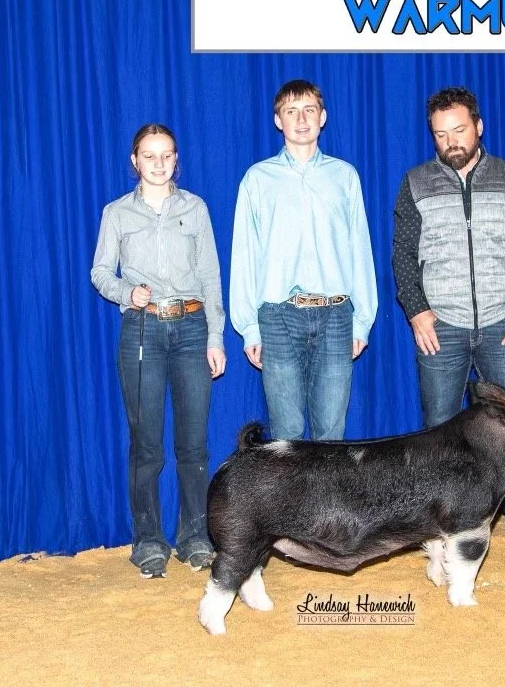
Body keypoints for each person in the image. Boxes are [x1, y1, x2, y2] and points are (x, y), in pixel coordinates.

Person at [392, 86, 505, 542]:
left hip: (504, 323)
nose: (452, 141)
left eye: (459, 130)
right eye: (441, 134)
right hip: (439, 325)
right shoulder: (415, 183)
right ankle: (433, 522)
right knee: (438, 431)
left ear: (478, 127)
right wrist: (417, 312)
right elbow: (403, 254)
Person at [91, 124, 226, 579]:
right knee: (146, 445)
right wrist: (128, 293)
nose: (158, 163)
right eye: (149, 156)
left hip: (190, 326)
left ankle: (195, 535)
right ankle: (148, 539)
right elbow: (99, 273)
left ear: (176, 159)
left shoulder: (196, 208)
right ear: (135, 160)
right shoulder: (117, 213)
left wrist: (215, 336)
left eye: (166, 154)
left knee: (193, 443)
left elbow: (210, 276)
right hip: (142, 330)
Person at [229, 79, 377, 441]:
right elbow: (245, 255)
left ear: (322, 117)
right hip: (278, 315)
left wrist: (362, 322)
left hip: (337, 314)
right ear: (278, 120)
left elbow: (360, 250)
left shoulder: (344, 177)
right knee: (287, 435)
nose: (301, 119)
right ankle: (288, 502)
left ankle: (329, 503)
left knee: (331, 434)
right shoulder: (257, 180)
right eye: (291, 111)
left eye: (309, 109)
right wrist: (249, 326)